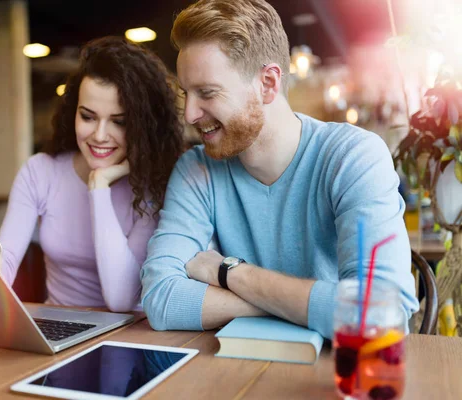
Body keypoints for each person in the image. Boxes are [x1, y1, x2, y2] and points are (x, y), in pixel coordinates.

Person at [140, 0, 419, 338]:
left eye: (207, 93)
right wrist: (296, 306)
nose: (190, 115)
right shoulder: (195, 168)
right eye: (188, 94)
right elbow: (160, 300)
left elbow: (383, 316)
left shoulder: (352, 155)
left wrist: (231, 274)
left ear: (268, 84)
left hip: (334, 377)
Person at [0, 36, 184, 312]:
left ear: (143, 126)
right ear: (73, 112)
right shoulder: (41, 171)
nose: (99, 135)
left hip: (130, 335)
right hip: (58, 328)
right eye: (88, 116)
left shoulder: (153, 186)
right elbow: (7, 263)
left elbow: (120, 299)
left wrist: (99, 187)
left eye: (119, 122)